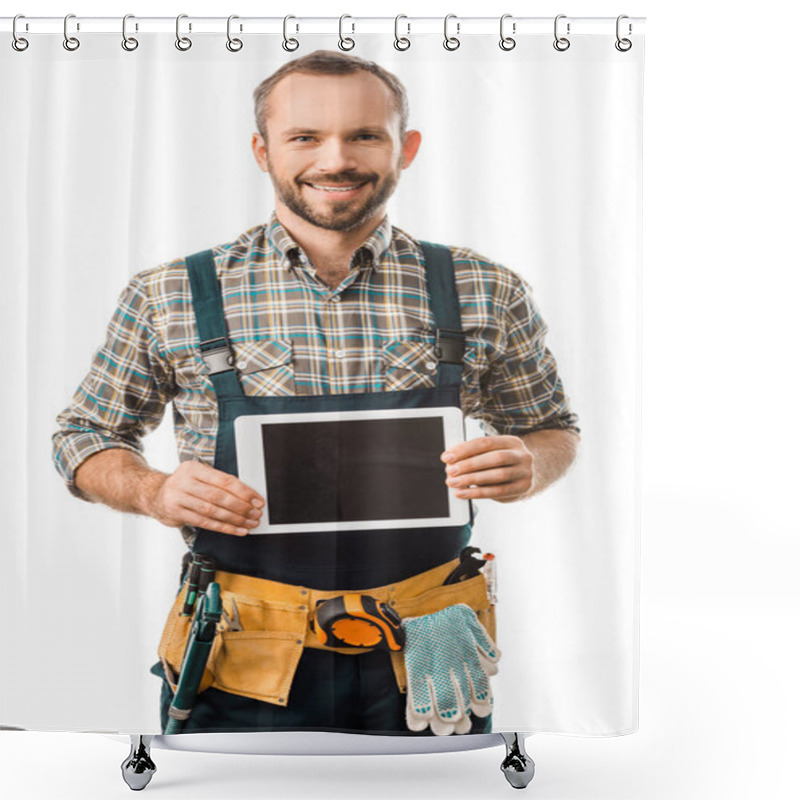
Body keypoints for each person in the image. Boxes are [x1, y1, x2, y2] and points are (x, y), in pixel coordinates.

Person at [52, 50, 580, 737]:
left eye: (365, 135)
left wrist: (532, 461)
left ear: (405, 148)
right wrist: (153, 491)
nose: (337, 158)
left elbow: (551, 426)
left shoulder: (484, 288)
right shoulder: (172, 293)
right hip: (242, 650)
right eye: (305, 137)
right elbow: (82, 436)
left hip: (427, 643)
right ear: (262, 151)